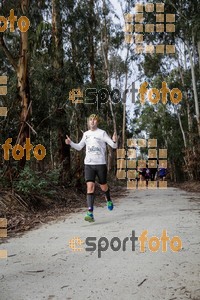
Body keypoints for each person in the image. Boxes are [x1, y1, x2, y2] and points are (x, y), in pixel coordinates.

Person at [65, 114, 117, 222]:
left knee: (103, 187)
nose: (92, 122)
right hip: (88, 164)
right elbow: (79, 147)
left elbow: (113, 146)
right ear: (88, 122)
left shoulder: (102, 133)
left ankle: (108, 198)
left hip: (100, 164)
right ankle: (90, 212)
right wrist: (71, 143)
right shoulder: (86, 134)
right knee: (90, 187)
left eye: (94, 120)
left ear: (97, 122)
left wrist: (115, 140)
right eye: (90, 120)